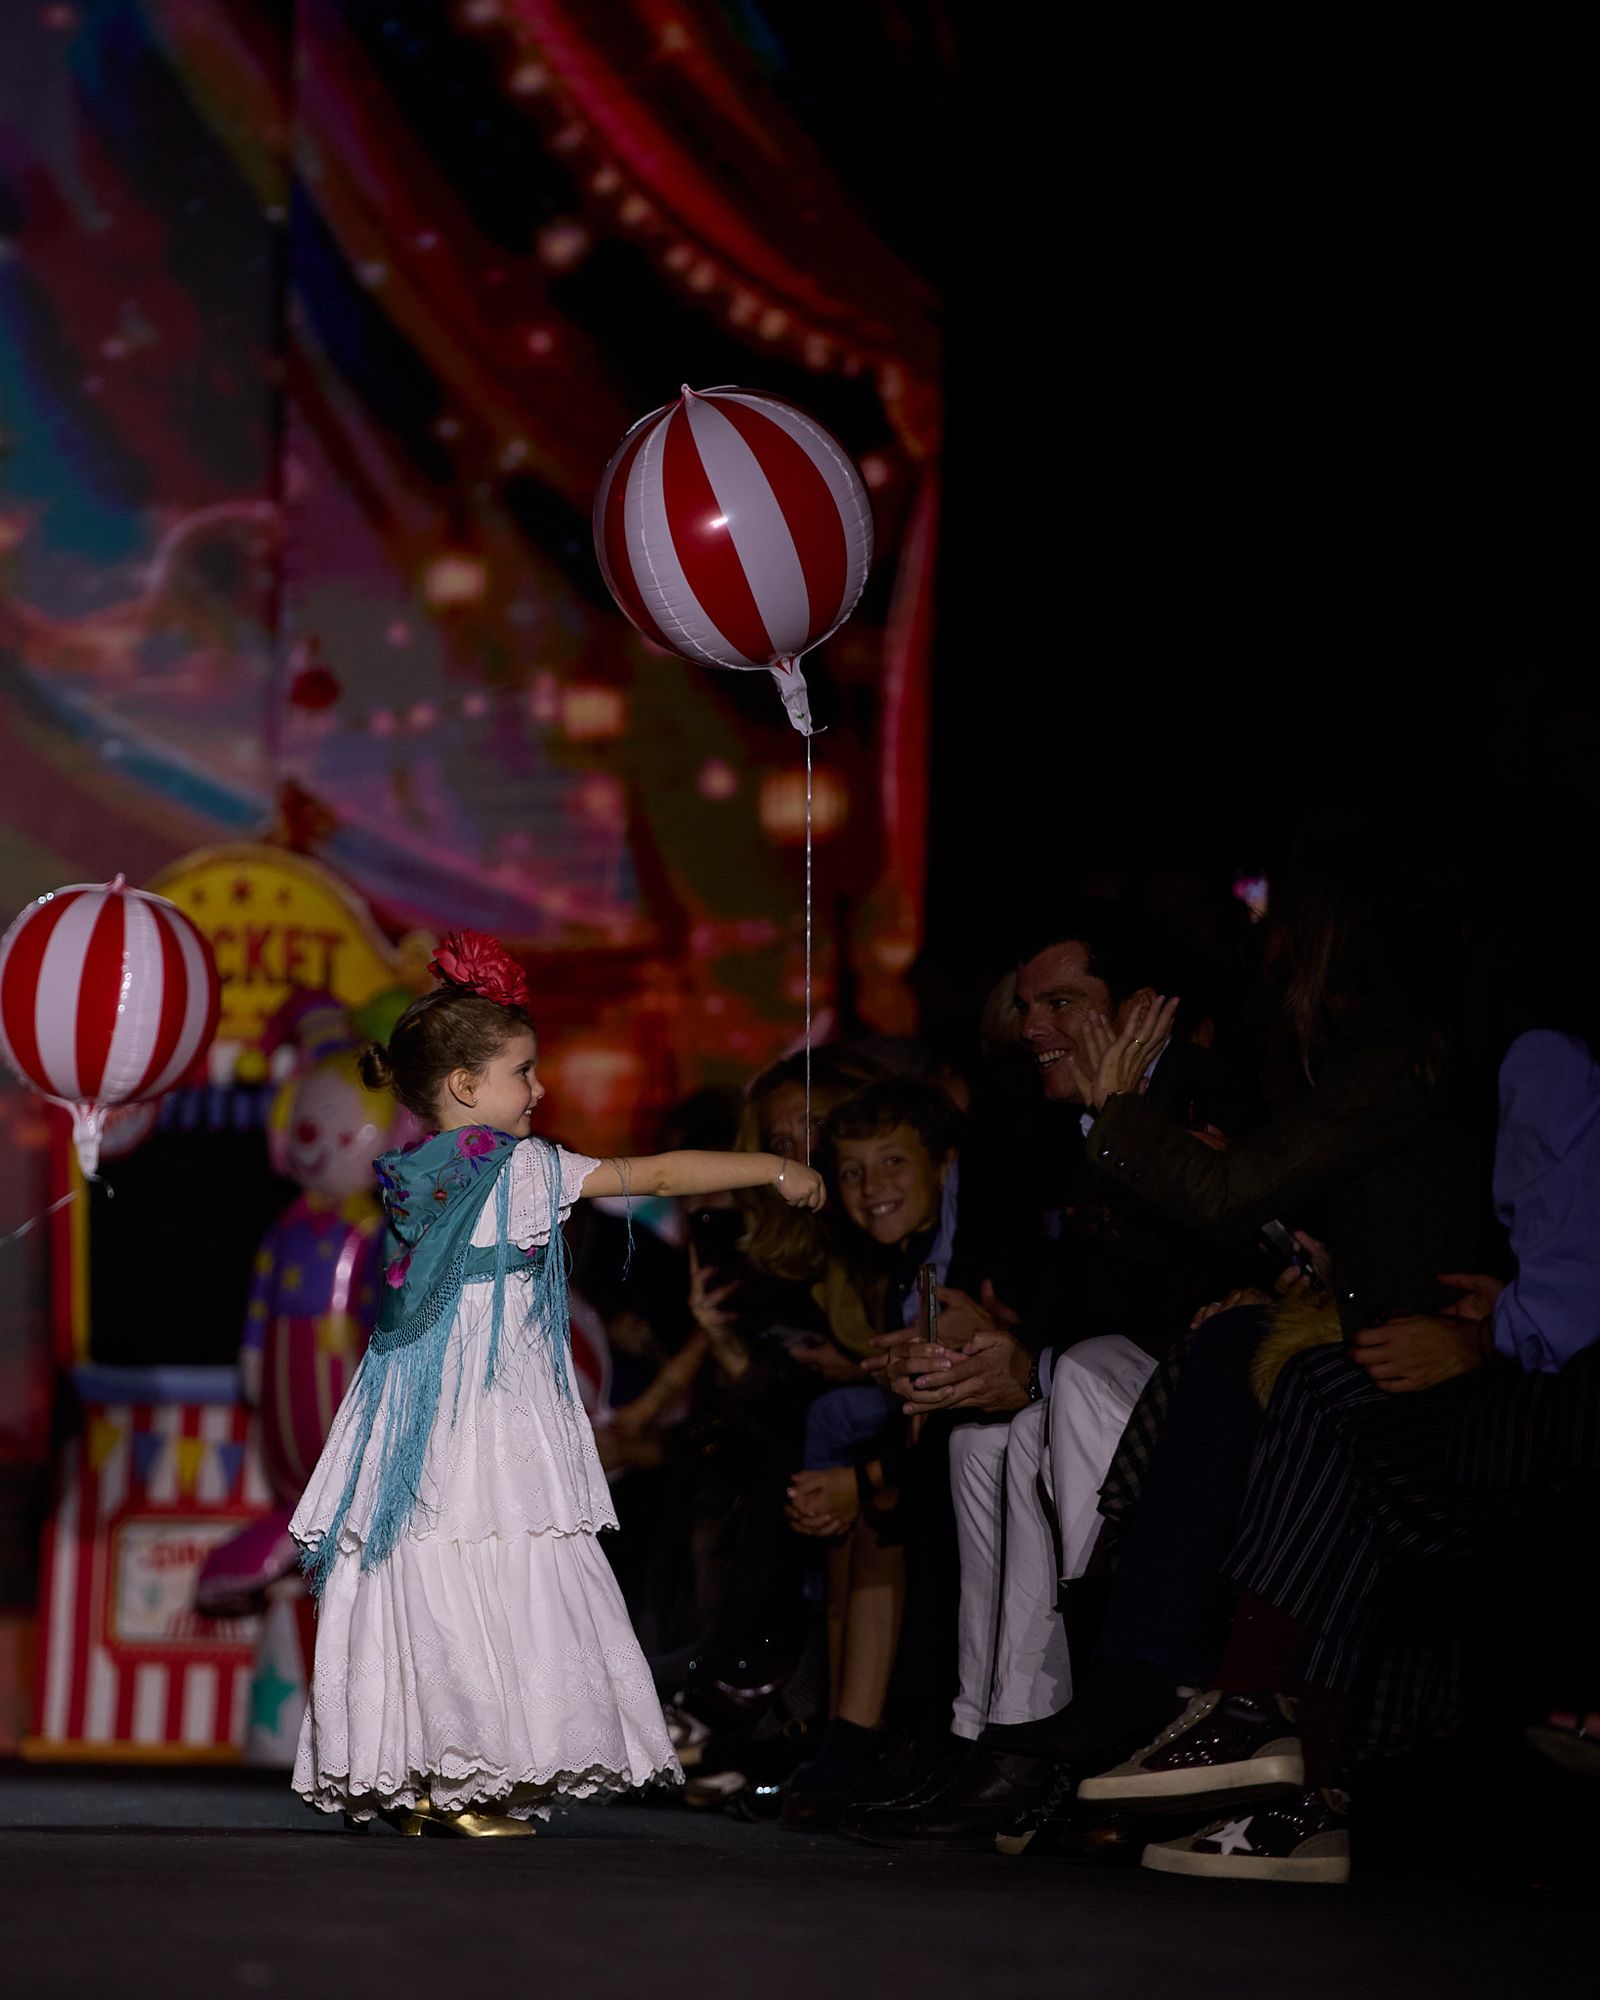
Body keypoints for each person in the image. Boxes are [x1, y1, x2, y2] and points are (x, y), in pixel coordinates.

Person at [289, 930, 823, 1836]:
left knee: (424, 1571)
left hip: (412, 1402)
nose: (539, 1091)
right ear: (465, 1087)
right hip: (489, 1411)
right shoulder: (525, 1168)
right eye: (523, 1072)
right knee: (498, 1564)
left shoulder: (418, 1171)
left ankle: (415, 1777)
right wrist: (773, 1168)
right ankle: (473, 1780)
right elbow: (651, 1173)